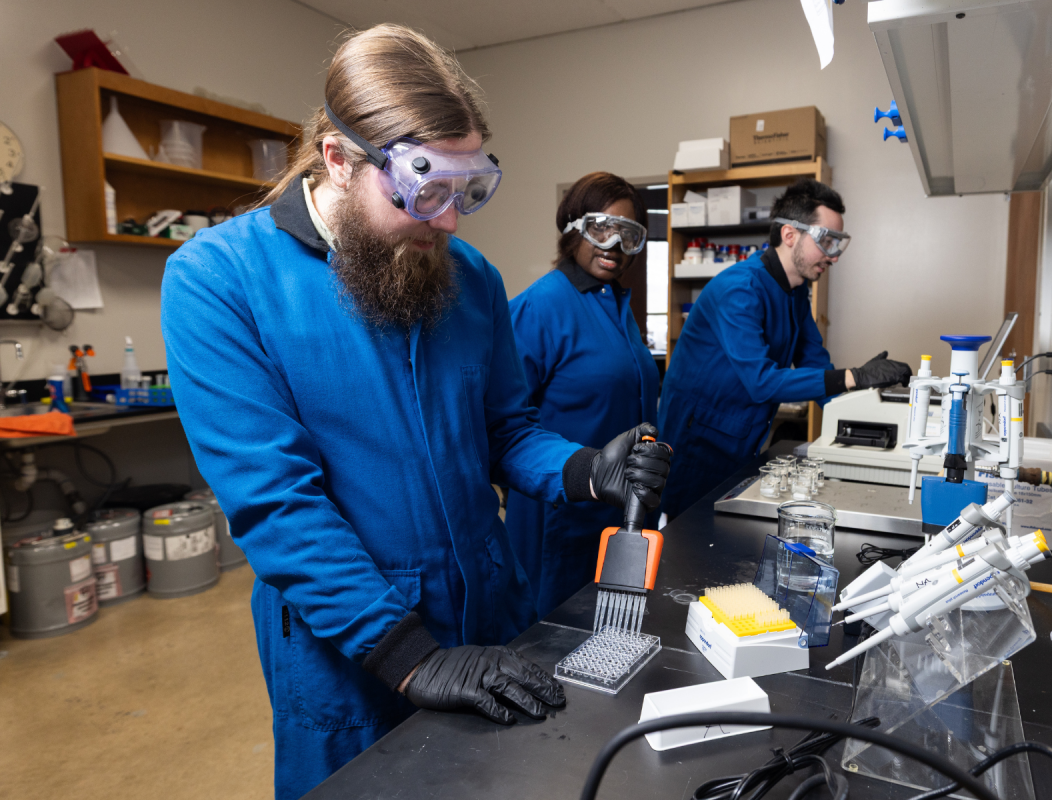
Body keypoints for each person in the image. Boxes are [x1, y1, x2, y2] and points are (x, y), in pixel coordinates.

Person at [160, 25, 671, 800]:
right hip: (352, 645)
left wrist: (584, 470)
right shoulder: (218, 281)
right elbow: (276, 505)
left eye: (466, 191)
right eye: (425, 187)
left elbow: (507, 431)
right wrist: (409, 655)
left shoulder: (469, 277)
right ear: (338, 157)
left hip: (488, 614)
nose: (449, 221)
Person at [657, 178, 909, 518]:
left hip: (742, 438)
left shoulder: (795, 292)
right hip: (698, 444)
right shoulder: (739, 289)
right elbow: (762, 381)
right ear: (790, 235)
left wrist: (871, 412)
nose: (833, 257)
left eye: (839, 244)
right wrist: (853, 377)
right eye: (827, 242)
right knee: (689, 544)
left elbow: (816, 364)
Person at [507, 173, 660, 618]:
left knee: (608, 621)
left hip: (618, 510)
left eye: (628, 234)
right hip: (561, 509)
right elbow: (505, 425)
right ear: (572, 227)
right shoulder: (540, 306)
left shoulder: (615, 303)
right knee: (552, 632)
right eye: (601, 228)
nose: (614, 244)